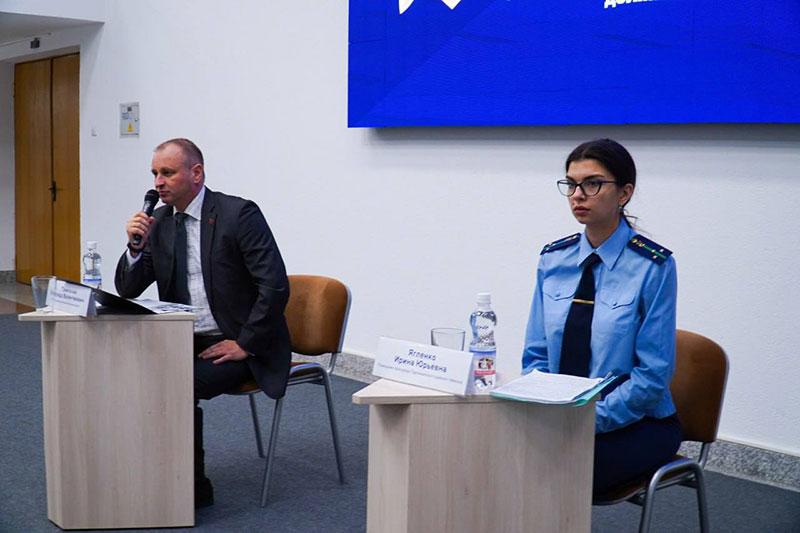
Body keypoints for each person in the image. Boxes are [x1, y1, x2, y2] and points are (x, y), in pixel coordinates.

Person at [115, 138, 291, 508]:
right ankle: (150, 472)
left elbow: (274, 285)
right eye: (154, 173)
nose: (158, 182)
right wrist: (134, 247)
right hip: (185, 338)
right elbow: (127, 288)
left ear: (196, 173)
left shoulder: (238, 214)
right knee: (128, 374)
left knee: (177, 384)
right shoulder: (159, 223)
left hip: (242, 343)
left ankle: (192, 488)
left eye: (167, 173)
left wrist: (245, 343)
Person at [521, 138, 682, 494]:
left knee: (559, 469)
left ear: (624, 193)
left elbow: (652, 377)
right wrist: (544, 408)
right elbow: (536, 356)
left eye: (592, 184)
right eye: (571, 184)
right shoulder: (553, 260)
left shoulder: (653, 267)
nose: (578, 195)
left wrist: (589, 419)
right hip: (564, 416)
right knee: (500, 448)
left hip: (636, 422)